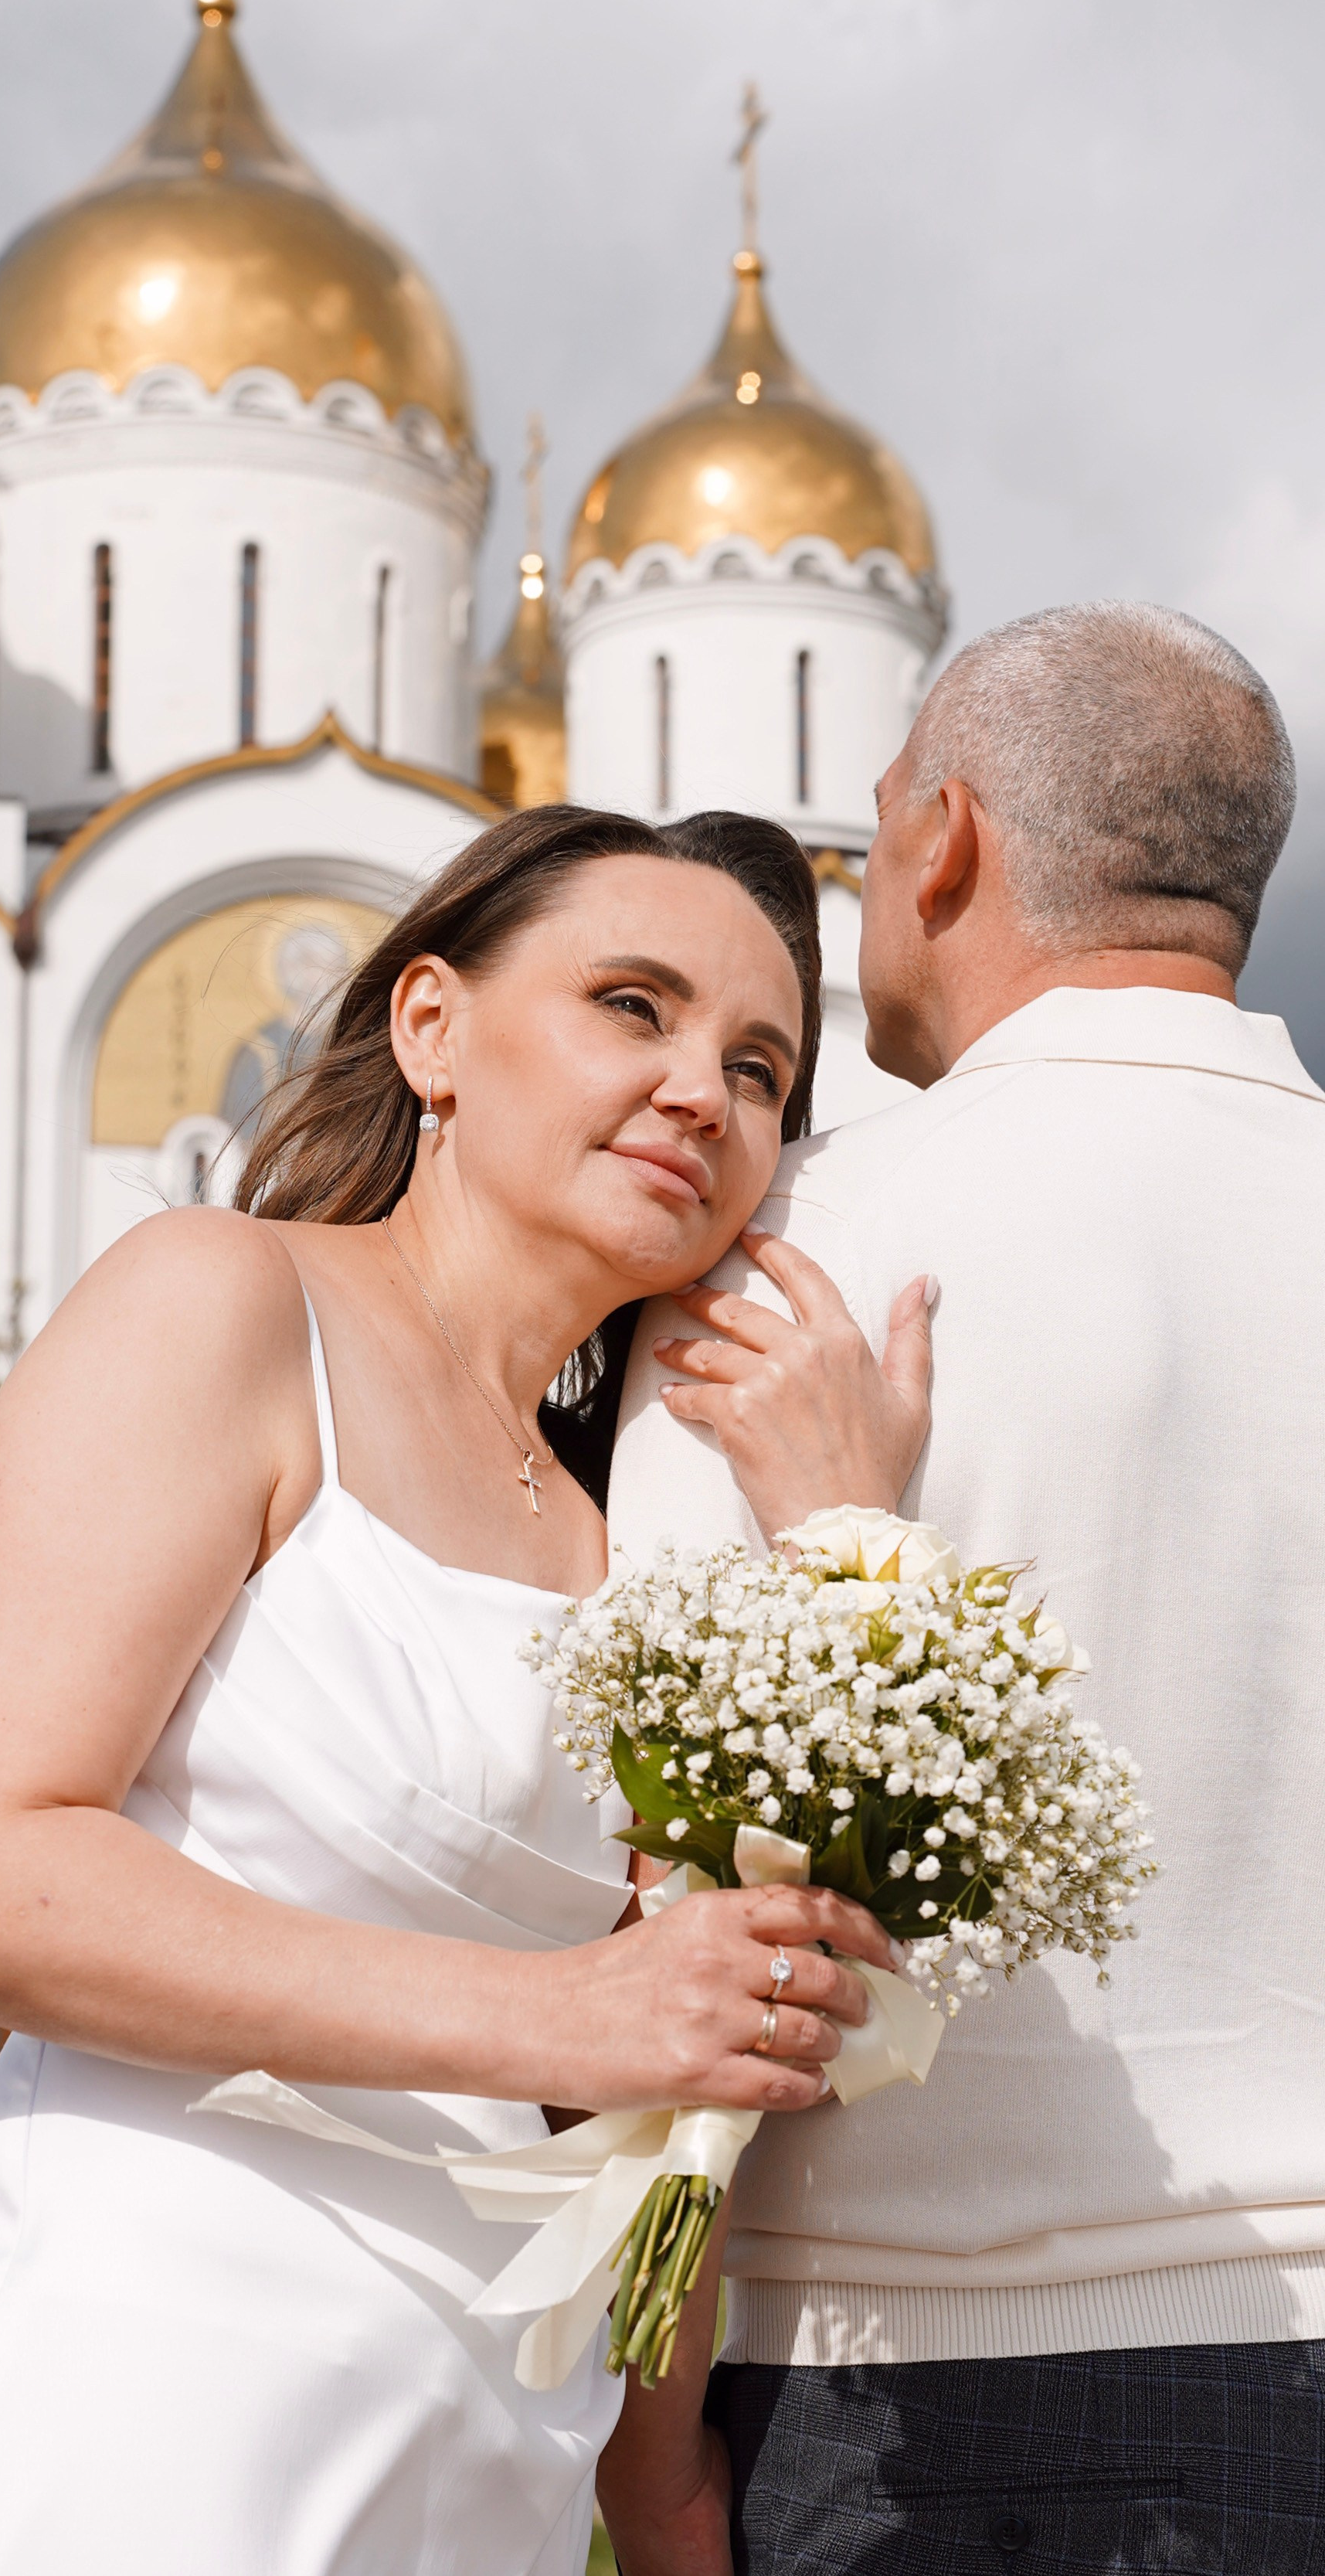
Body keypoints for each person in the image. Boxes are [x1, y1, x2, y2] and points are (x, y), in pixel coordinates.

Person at [0, 803, 930, 2576]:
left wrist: (666, 2492)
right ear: (432, 1028)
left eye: (762, 1062)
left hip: (488, 2442)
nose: (705, 1088)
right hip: (148, 2395)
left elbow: (677, 2068)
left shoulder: (629, 1526)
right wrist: (556, 2014)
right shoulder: (223, 1303)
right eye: (631, 1003)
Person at [601, 601, 1325, 2576]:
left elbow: (661, 1892)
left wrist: (652, 2456)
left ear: (942, 843)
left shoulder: (799, 1257)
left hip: (932, 2393)